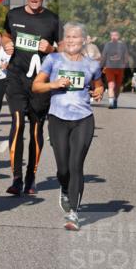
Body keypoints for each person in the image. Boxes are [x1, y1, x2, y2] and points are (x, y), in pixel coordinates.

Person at [32, 23, 104, 231]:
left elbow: (98, 84)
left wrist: (99, 92)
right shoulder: (53, 60)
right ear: (63, 40)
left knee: (76, 165)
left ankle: (74, 212)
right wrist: (53, 85)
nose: (72, 41)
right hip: (57, 118)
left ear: (84, 40)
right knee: (63, 168)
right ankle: (64, 186)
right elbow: (36, 86)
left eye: (76, 37)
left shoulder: (91, 64)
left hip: (84, 118)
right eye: (69, 37)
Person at [1, 0, 60, 195]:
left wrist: (51, 50)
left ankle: (31, 177)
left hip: (40, 83)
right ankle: (16, 177)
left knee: (36, 130)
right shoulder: (13, 14)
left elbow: (65, 51)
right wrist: (7, 43)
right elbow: (6, 34)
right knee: (17, 124)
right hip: (16, 78)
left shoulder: (53, 20)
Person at [101, 30, 129, 109]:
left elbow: (126, 56)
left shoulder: (123, 45)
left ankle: (115, 100)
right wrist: (100, 66)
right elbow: (103, 56)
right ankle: (111, 103)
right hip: (109, 68)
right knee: (111, 85)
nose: (114, 37)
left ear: (118, 36)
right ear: (110, 36)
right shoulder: (107, 45)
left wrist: (125, 64)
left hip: (120, 68)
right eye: (112, 35)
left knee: (117, 87)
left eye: (115, 35)